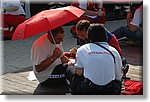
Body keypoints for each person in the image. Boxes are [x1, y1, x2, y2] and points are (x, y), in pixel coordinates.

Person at [66, 24, 122, 95]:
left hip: (88, 89)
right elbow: (118, 76)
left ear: (89, 36)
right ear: (105, 35)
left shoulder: (82, 49)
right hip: (110, 90)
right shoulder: (114, 51)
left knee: (70, 69)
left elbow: (79, 72)